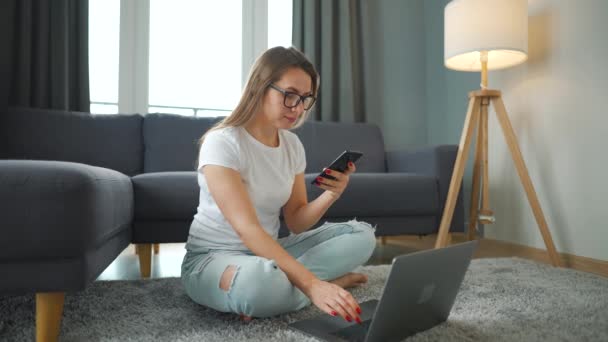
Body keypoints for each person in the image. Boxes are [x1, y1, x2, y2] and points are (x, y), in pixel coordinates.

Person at [180, 46, 377, 324]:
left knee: (362, 235)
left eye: (305, 98)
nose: (297, 108)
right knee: (257, 285)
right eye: (289, 95)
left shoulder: (292, 145)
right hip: (212, 258)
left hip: (271, 252)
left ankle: (277, 291)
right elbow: (247, 229)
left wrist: (331, 193)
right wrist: (311, 284)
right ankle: (322, 284)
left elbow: (296, 221)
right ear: (260, 87)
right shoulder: (222, 142)